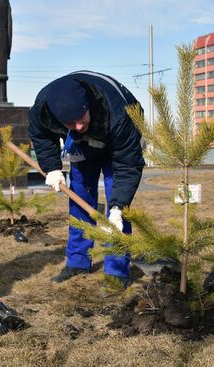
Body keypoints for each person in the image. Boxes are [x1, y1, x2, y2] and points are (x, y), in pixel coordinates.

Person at [28, 71, 145, 284]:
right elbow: (42, 137)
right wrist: (52, 168)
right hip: (82, 146)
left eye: (80, 118)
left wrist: (118, 207)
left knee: (117, 207)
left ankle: (117, 271)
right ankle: (77, 262)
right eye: (70, 123)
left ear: (87, 106)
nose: (79, 126)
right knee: (79, 198)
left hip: (116, 141)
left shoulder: (122, 115)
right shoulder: (42, 109)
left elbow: (127, 166)